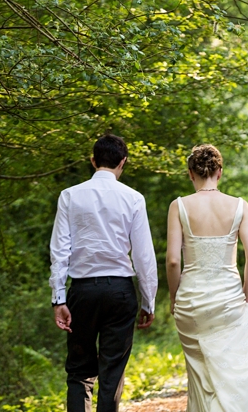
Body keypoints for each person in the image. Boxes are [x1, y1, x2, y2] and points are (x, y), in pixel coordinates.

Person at [166, 144, 248, 412]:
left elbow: (172, 261)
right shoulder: (239, 206)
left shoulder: (178, 206)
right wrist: (246, 294)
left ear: (191, 173)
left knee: (201, 377)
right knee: (231, 376)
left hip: (191, 305)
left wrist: (174, 297)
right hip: (229, 302)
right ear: (220, 172)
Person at [49, 134, 158, 412]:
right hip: (120, 293)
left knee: (79, 371)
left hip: (82, 292)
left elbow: (59, 251)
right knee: (111, 373)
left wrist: (58, 299)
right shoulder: (133, 198)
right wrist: (148, 301)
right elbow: (144, 256)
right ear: (123, 162)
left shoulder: (69, 196)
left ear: (93, 160)